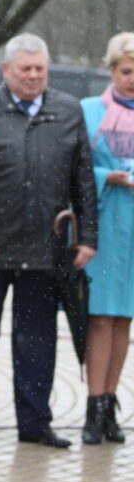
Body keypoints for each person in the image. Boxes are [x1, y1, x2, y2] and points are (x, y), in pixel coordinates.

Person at [0, 33, 97, 449]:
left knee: (37, 342)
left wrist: (88, 237)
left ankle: (35, 422)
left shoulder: (67, 111)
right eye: (25, 69)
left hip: (45, 250)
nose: (33, 76)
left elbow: (83, 179)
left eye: (40, 69)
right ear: (7, 70)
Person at [80, 32, 134, 445]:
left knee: (124, 321)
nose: (132, 79)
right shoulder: (88, 112)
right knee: (100, 318)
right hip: (103, 222)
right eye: (126, 71)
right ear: (112, 70)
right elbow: (75, 170)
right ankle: (93, 405)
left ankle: (110, 402)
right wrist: (107, 177)